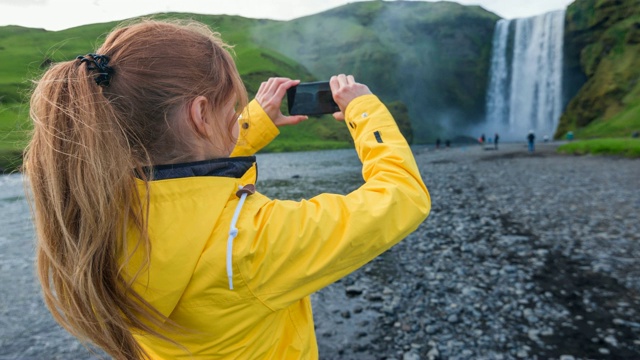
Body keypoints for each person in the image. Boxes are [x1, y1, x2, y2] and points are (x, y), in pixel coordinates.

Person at [23, 19, 430, 360]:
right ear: (200, 115)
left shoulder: (96, 210)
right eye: (231, 108)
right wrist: (365, 110)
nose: (238, 116)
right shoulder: (252, 244)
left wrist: (250, 123)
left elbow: (184, 169)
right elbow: (401, 196)